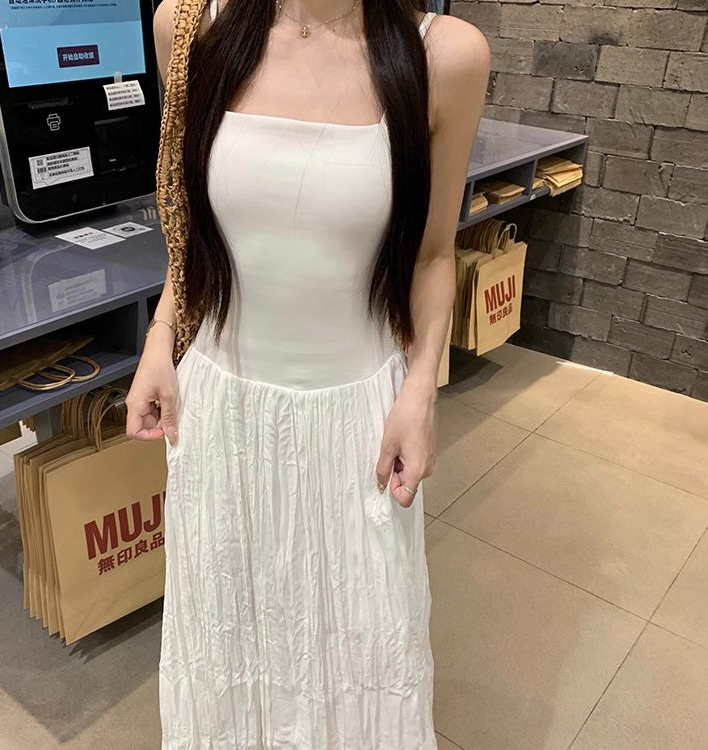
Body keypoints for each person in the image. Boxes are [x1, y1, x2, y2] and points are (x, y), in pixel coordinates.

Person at [126, 0, 490, 746]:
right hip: (223, 417)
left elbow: (431, 255)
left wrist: (422, 387)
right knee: (229, 653)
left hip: (356, 424)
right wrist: (160, 339)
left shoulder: (444, 56)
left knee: (358, 654)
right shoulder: (189, 28)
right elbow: (190, 235)